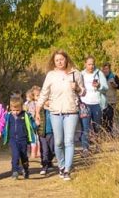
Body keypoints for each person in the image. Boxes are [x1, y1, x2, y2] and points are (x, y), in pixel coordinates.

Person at [36, 49, 85, 181]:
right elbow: (44, 93)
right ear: (54, 61)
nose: (59, 62)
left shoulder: (76, 73)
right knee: (58, 142)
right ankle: (62, 166)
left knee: (69, 141)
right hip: (55, 112)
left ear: (66, 59)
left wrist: (78, 88)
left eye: (61, 59)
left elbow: (83, 92)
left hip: (71, 111)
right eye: (57, 60)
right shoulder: (51, 75)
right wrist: (37, 111)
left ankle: (67, 170)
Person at [78, 56, 109, 153]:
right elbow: (77, 89)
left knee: (97, 126)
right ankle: (85, 148)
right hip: (84, 104)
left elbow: (106, 88)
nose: (91, 66)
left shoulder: (99, 73)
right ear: (85, 64)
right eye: (89, 64)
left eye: (93, 64)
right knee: (85, 127)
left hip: (96, 103)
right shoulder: (81, 74)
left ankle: (98, 146)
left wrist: (99, 86)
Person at [3, 93, 37, 180]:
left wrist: (36, 125)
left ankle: (26, 169)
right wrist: (2, 134)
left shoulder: (25, 115)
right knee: (15, 155)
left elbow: (31, 124)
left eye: (17, 110)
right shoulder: (8, 116)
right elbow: (5, 126)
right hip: (13, 140)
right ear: (10, 108)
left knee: (24, 156)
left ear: (21, 107)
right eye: (13, 110)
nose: (15, 112)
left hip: (23, 140)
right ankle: (15, 171)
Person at [30, 86, 56, 176]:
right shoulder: (35, 108)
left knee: (52, 149)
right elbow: (32, 120)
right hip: (41, 132)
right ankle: (44, 166)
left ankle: (49, 161)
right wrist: (34, 126)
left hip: (51, 131)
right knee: (44, 150)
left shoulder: (51, 107)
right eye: (37, 96)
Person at [101, 63, 119, 133]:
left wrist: (115, 85)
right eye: (104, 69)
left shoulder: (114, 76)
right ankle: (104, 133)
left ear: (109, 69)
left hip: (111, 101)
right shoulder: (100, 77)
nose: (105, 70)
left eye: (107, 69)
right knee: (103, 118)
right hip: (102, 101)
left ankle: (109, 133)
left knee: (110, 118)